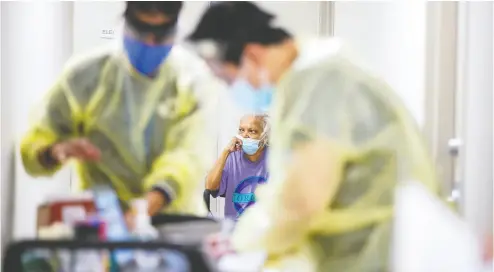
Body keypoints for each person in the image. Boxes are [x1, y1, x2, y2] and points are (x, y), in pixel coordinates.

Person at [188, 2, 440, 271]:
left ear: (252, 55)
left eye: (228, 79)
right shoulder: (316, 74)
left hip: (380, 253)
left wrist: (242, 241)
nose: (233, 90)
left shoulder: (318, 83)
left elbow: (300, 201)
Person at [20, 1, 218, 218]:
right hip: (102, 220)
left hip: (173, 221)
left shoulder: (191, 81)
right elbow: (38, 138)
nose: (150, 43)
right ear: (125, 22)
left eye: (160, 34)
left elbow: (187, 156)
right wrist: (55, 151)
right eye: (142, 31)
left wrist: (145, 208)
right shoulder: (86, 77)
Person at [205, 114, 270, 221]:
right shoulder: (231, 156)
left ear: (264, 136)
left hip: (264, 228)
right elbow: (210, 187)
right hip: (234, 227)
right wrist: (225, 152)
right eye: (241, 130)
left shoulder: (273, 158)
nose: (244, 135)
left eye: (252, 131)